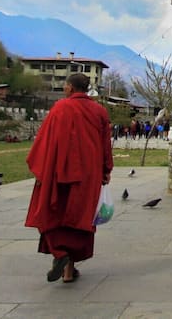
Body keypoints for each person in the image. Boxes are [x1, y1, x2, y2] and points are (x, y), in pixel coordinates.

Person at [25, 73, 113, 283]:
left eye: (65, 86)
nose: (64, 89)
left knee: (52, 213)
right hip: (87, 174)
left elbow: (44, 140)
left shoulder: (60, 108)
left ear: (70, 88)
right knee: (78, 218)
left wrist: (40, 167)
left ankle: (60, 255)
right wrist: (106, 170)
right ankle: (68, 271)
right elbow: (104, 144)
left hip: (58, 172)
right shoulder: (99, 111)